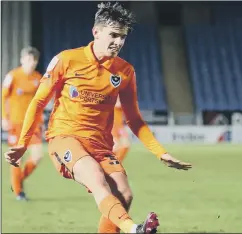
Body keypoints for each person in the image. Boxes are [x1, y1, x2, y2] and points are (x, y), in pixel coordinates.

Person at [4, 2, 192, 233]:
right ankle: (135, 229)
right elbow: (39, 101)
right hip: (64, 138)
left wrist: (160, 152)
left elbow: (134, 118)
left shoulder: (124, 71)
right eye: (114, 35)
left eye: (123, 37)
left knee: (124, 193)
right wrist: (22, 143)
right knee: (95, 178)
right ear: (96, 32)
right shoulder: (66, 60)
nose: (119, 42)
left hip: (101, 146)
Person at [2, 46, 44, 201]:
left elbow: (40, 102)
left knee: (38, 155)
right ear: (22, 60)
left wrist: (40, 121)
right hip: (16, 123)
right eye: (28, 59)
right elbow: (3, 97)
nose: (31, 63)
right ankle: (19, 192)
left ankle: (17, 181)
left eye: (34, 60)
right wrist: (4, 117)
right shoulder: (13, 76)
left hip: (32, 124)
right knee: (16, 159)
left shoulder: (38, 78)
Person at [112, 96, 130, 162]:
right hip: (113, 126)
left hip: (120, 127)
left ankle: (115, 164)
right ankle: (112, 166)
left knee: (125, 145)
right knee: (116, 147)